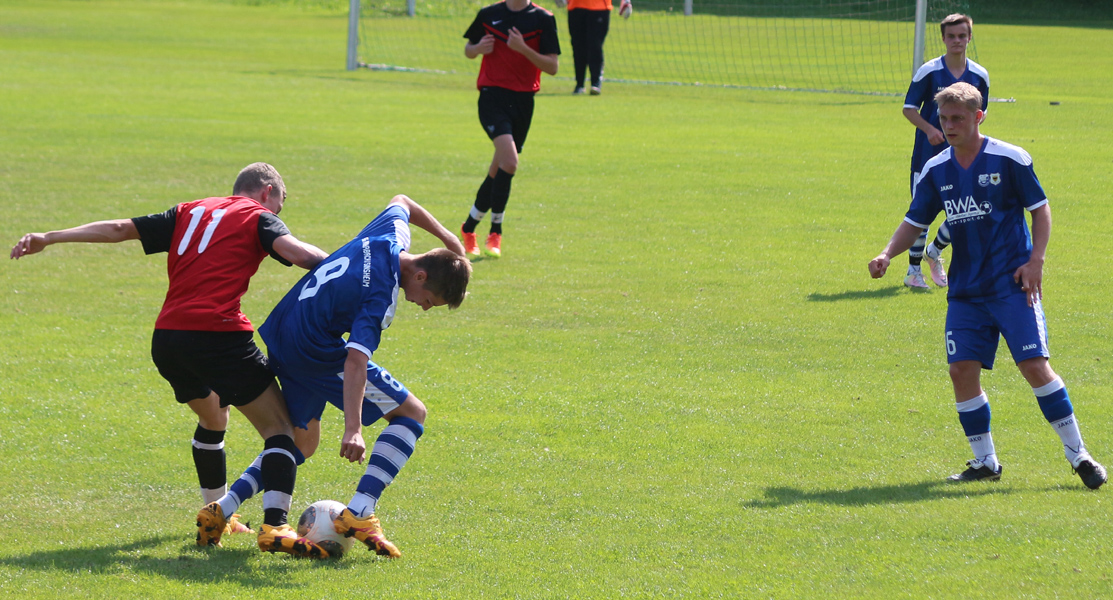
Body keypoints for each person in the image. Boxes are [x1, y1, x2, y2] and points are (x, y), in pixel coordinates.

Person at [10, 163, 337, 556]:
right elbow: (296, 253)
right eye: (279, 206)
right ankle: (275, 527)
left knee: (214, 417)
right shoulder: (257, 216)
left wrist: (49, 237)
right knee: (280, 429)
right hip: (219, 336)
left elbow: (119, 229)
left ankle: (218, 516)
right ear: (268, 192)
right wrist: (348, 264)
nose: (277, 213)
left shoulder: (188, 211)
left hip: (168, 339)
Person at [205, 194, 472, 558]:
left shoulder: (389, 235)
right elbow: (355, 362)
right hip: (313, 349)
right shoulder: (381, 295)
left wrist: (448, 238)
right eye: (429, 300)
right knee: (412, 413)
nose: (423, 307)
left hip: (285, 329)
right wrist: (353, 428)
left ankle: (222, 508)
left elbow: (403, 202)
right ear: (420, 276)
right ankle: (359, 511)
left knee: (302, 442)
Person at [869, 83, 1107, 489]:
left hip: (1012, 285)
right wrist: (887, 253)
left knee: (1034, 366)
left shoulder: (1010, 158)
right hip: (966, 292)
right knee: (961, 370)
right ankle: (985, 462)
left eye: (958, 118)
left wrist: (1036, 261)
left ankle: (1079, 454)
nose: (949, 126)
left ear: (978, 116)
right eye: (944, 119)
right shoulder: (937, 169)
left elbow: (1040, 209)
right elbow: (915, 220)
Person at [460, 0, 560, 260]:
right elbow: (468, 50)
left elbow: (552, 67)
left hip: (524, 102)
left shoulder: (543, 19)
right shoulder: (489, 14)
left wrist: (523, 48)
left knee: (499, 168)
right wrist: (477, 48)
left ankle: (469, 227)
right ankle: (496, 231)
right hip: (492, 97)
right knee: (511, 162)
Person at [901, 13, 989, 289]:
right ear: (943, 38)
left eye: (962, 36)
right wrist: (930, 129)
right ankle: (913, 271)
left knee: (966, 210)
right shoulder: (929, 71)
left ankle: (934, 251)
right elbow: (909, 108)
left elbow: (982, 113)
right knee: (921, 214)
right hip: (927, 155)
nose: (956, 41)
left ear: (970, 38)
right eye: (951, 36)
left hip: (964, 157)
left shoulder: (979, 75)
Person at [564, 0, 631, 95]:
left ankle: (595, 83)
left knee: (595, 46)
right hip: (576, 6)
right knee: (578, 47)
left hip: (600, 7)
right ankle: (579, 84)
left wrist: (626, 2)